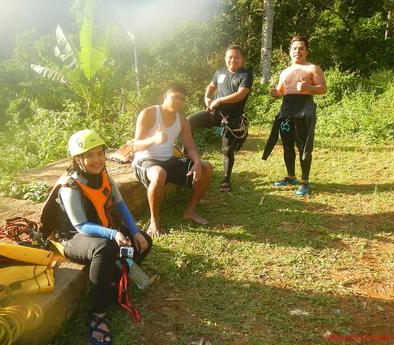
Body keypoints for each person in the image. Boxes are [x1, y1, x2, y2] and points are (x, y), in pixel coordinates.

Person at [40, 129, 152, 345]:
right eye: (89, 155)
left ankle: (113, 281)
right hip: (71, 237)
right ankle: (98, 313)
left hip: (100, 230)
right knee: (105, 248)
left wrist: (136, 232)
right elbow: (80, 225)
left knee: (145, 242)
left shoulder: (105, 177)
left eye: (100, 153)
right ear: (78, 159)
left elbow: (121, 206)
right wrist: (113, 233)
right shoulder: (70, 186)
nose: (97, 159)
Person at [132, 83, 213, 237]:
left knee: (206, 167)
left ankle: (189, 211)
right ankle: (154, 221)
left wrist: (196, 163)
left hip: (168, 160)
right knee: (159, 174)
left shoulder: (182, 120)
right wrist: (154, 139)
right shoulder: (149, 113)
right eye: (175, 97)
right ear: (165, 96)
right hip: (145, 159)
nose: (178, 102)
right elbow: (136, 146)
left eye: (182, 99)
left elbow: (191, 148)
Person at [262, 35, 327, 196]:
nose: (297, 51)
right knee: (287, 144)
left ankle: (304, 182)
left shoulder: (313, 68)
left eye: (301, 48)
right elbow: (281, 91)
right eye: (294, 48)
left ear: (306, 51)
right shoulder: (285, 71)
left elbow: (323, 88)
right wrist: (275, 93)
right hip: (287, 108)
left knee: (303, 146)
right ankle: (291, 176)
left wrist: (309, 87)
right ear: (290, 51)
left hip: (304, 107)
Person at [187, 44, 253, 192]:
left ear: (242, 59)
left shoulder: (245, 74)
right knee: (188, 122)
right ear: (225, 58)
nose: (233, 60)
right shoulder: (219, 72)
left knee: (226, 150)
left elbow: (241, 94)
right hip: (214, 113)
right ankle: (187, 158)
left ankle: (226, 180)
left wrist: (220, 100)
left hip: (232, 118)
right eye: (230, 57)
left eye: (236, 57)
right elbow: (211, 86)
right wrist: (207, 98)